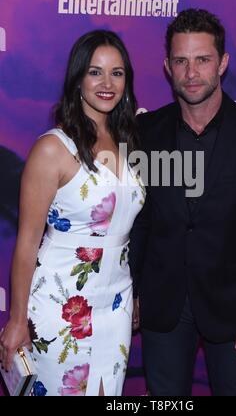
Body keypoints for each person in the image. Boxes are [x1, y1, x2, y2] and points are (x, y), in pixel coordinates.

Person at [129, 9, 236, 396]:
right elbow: (139, 221)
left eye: (202, 60)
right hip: (163, 305)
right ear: (168, 67)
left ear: (222, 63)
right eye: (181, 61)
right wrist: (132, 289)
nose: (191, 72)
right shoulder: (144, 133)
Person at [0, 30, 145, 396]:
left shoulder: (132, 144)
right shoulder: (52, 149)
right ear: (78, 79)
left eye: (117, 72)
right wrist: (17, 319)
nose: (107, 83)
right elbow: (27, 243)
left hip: (117, 304)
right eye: (95, 72)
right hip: (60, 304)